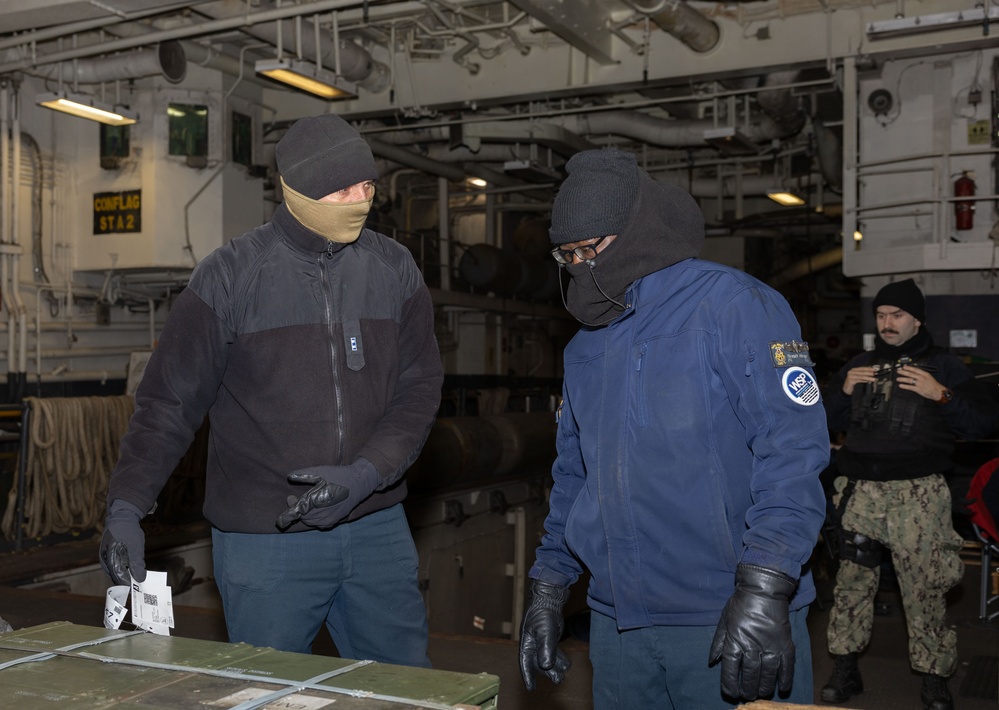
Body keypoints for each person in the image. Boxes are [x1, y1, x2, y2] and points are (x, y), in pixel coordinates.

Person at [99, 113, 444, 666]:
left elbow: (419, 388)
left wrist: (367, 473)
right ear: (297, 191)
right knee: (267, 691)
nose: (361, 200)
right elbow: (168, 403)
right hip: (266, 539)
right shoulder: (229, 277)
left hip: (375, 526)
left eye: (368, 186)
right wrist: (127, 506)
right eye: (343, 189)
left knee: (406, 691)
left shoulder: (394, 269)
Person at [517, 147, 829, 708]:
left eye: (591, 249)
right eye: (568, 255)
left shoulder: (734, 306)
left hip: (725, 614)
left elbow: (792, 452)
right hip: (618, 623)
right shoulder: (585, 346)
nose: (580, 267)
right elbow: (575, 478)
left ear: (636, 231)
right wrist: (549, 586)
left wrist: (765, 585)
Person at [820, 278, 999, 710]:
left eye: (897, 315)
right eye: (881, 315)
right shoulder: (859, 365)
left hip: (918, 495)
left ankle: (934, 676)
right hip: (861, 493)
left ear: (917, 320)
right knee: (851, 586)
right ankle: (845, 668)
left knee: (924, 587)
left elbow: (984, 424)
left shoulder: (945, 367)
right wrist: (842, 393)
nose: (887, 323)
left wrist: (942, 395)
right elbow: (819, 419)